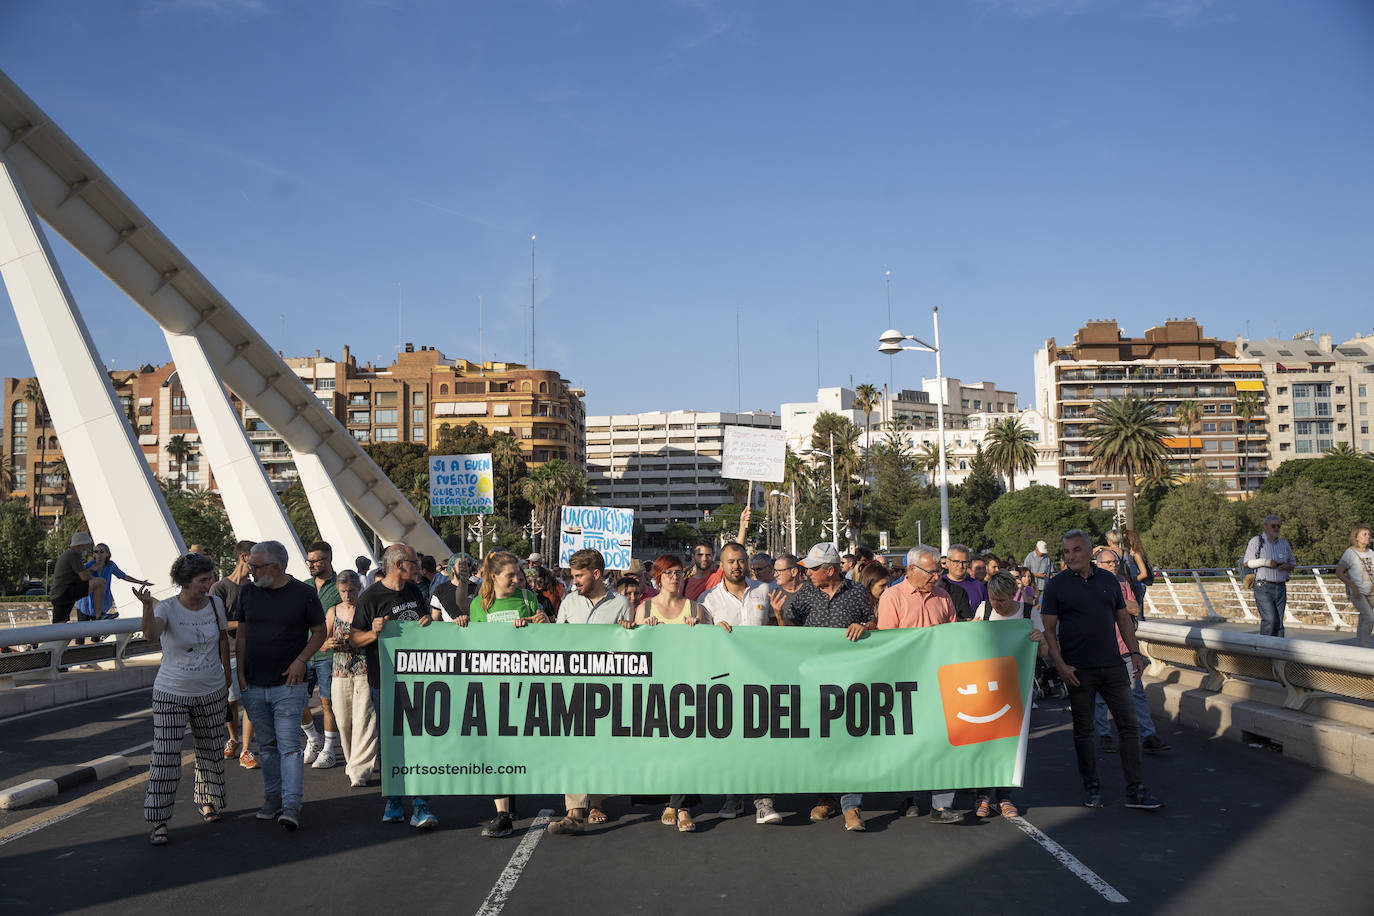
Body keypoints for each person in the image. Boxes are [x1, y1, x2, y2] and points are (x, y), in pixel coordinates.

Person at [1040, 530, 1163, 811]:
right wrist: (1060, 665)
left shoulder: (1109, 581)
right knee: (1084, 731)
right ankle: (1091, 787)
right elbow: (1048, 629)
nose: (1070, 556)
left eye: (1076, 551)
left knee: (1129, 727)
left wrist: (1134, 654)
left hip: (1113, 666)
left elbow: (1123, 620)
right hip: (1078, 670)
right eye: (1066, 552)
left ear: (1088, 552)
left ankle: (1136, 790)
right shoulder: (1057, 586)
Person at [136, 552, 231, 846]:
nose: (209, 584)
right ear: (185, 582)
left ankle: (208, 801)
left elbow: (223, 639)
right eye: (203, 580)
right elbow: (151, 634)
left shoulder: (215, 604)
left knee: (211, 750)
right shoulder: (166, 608)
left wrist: (227, 676)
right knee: (166, 755)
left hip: (212, 689)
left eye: (210, 578)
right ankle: (159, 820)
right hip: (171, 691)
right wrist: (146, 608)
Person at [235, 540, 327, 831]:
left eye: (255, 567)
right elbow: (241, 636)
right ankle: (272, 798)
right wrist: (240, 675)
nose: (249, 571)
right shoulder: (248, 591)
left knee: (288, 746)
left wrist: (302, 660)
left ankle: (291, 805)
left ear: (275, 567)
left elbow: (319, 631)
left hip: (289, 684)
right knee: (267, 746)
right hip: (253, 683)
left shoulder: (303, 593)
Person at [458, 550, 549, 839]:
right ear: (493, 577)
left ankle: (511, 797)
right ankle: (502, 813)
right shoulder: (480, 606)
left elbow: (547, 640)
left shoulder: (528, 599)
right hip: (493, 687)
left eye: (518, 574)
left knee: (517, 747)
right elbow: (474, 646)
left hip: (526, 685)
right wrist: (462, 627)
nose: (516, 579)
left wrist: (541, 624)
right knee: (497, 750)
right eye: (510, 575)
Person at [784, 543, 874, 831]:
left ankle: (851, 805)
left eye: (812, 568)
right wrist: (779, 615)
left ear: (830, 569)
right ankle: (825, 798)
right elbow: (789, 625)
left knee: (849, 739)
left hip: (850, 678)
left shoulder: (858, 592)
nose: (807, 573)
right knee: (821, 740)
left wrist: (866, 626)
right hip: (814, 679)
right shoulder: (806, 594)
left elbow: (873, 620)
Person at [545, 548, 634, 836]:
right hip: (572, 687)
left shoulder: (621, 604)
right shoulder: (569, 602)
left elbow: (629, 646)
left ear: (596, 574)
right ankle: (574, 810)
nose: (575, 582)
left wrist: (629, 630)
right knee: (573, 748)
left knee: (601, 749)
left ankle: (597, 802)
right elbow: (558, 639)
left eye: (579, 576)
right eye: (572, 576)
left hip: (607, 689)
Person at [350, 543, 439, 830]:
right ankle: (394, 800)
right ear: (400, 565)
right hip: (385, 681)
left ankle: (421, 802)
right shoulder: (371, 598)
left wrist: (427, 623)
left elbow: (422, 624)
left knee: (419, 740)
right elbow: (354, 639)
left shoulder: (414, 591)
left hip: (418, 679)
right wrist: (373, 633)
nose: (419, 566)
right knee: (392, 742)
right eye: (415, 562)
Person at [877, 546, 962, 824]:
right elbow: (887, 642)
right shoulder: (892, 597)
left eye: (938, 570)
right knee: (907, 744)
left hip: (939, 683)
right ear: (911, 569)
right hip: (905, 683)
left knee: (944, 742)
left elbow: (952, 637)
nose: (936, 576)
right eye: (931, 571)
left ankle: (942, 805)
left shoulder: (943, 597)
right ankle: (907, 796)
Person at [631, 553, 708, 832]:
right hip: (658, 688)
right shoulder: (645, 608)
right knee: (666, 749)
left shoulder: (695, 608)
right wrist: (642, 631)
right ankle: (674, 800)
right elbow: (634, 649)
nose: (674, 578)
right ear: (658, 578)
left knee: (688, 748)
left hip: (689, 686)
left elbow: (714, 645)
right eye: (668, 574)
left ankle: (680, 806)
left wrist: (701, 630)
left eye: (678, 573)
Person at [700, 542, 775, 823]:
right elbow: (700, 640)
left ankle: (764, 800)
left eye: (741, 560)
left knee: (762, 741)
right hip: (727, 680)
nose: (736, 566)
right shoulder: (709, 600)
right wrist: (712, 633)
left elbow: (777, 630)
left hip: (762, 678)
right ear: (721, 565)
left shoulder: (766, 591)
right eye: (731, 561)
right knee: (731, 741)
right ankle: (734, 795)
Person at [973, 571, 1047, 819]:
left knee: (1009, 742)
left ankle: (1005, 795)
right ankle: (982, 795)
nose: (998, 605)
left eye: (1002, 600)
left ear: (1012, 595)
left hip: (1015, 688)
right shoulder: (983, 611)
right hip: (985, 686)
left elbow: (1044, 652)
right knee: (983, 739)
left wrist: (1039, 640)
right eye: (994, 599)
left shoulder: (1028, 613)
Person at [1089, 547, 1169, 756]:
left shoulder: (1123, 582)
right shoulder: (1090, 583)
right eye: (1108, 563)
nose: (1113, 565)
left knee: (1137, 693)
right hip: (1100, 648)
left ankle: (1148, 736)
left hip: (1125, 647)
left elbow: (1135, 608)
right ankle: (1105, 734)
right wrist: (1120, 604)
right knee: (1100, 697)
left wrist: (1115, 603)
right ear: (1098, 564)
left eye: (1115, 562)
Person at [323, 569, 378, 788]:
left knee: (364, 720)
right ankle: (352, 762)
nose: (348, 595)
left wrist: (359, 639)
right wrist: (327, 644)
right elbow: (322, 639)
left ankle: (360, 770)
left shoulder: (366, 609)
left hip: (364, 669)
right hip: (340, 671)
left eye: (352, 591)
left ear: (359, 589)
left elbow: (374, 636)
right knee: (343, 721)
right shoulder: (333, 611)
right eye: (344, 591)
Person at [212, 540, 257, 769]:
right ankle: (233, 738)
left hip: (251, 652)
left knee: (249, 700)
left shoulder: (255, 587)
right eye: (254, 558)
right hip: (227, 652)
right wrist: (243, 624)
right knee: (229, 701)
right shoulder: (219, 588)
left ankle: (246, 751)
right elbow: (215, 623)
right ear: (243, 558)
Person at [302, 541, 342, 770]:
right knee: (297, 701)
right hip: (304, 653)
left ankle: (328, 749)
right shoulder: (305, 586)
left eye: (316, 560)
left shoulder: (339, 586)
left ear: (328, 560)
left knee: (327, 703)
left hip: (328, 653)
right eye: (309, 561)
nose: (311, 564)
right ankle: (313, 739)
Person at [1243, 514, 1297, 638]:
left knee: (1279, 624)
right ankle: (1264, 651)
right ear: (1265, 527)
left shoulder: (1284, 544)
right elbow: (1247, 563)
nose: (1276, 528)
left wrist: (1287, 566)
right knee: (1270, 620)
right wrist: (1267, 562)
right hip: (1263, 587)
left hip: (1280, 587)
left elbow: (1293, 563)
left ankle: (1278, 653)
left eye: (1278, 526)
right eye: (1273, 526)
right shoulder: (1256, 541)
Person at [49, 533, 106, 644]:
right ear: (81, 545)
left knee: (59, 627)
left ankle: (55, 652)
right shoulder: (74, 554)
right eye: (87, 546)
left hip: (60, 595)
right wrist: (94, 577)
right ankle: (99, 615)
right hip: (65, 593)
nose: (88, 549)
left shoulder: (68, 554)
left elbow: (78, 575)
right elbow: (84, 577)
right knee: (100, 583)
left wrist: (91, 571)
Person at [75, 543, 152, 620]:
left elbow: (123, 576)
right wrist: (91, 570)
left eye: (101, 551)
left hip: (101, 605)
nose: (98, 554)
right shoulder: (88, 565)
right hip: (85, 605)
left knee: (98, 630)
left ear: (107, 554)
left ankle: (102, 616)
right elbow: (77, 576)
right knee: (83, 630)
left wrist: (140, 582)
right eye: (96, 551)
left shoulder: (110, 565)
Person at [1335, 525, 1374, 648]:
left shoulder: (1371, 552)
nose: (1368, 536)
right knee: (1369, 617)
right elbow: (1339, 572)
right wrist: (1352, 585)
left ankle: (1361, 646)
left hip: (1371, 591)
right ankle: (1365, 646)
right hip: (1357, 591)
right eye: (1364, 534)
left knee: (1364, 618)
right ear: (1356, 537)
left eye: (1369, 534)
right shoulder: (1350, 553)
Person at [939, 544, 979, 620]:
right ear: (947, 562)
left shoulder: (979, 586)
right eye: (956, 562)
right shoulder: (940, 585)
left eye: (964, 562)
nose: (961, 566)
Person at [429, 555, 471, 622]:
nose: (464, 567)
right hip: (450, 631)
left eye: (467, 564)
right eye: (460, 565)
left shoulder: (477, 588)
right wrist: (428, 618)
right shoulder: (440, 590)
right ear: (452, 569)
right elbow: (435, 618)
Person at [1122, 530, 1153, 618]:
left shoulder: (1136, 554)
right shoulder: (1129, 554)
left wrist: (1131, 581)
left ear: (1131, 540)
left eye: (1125, 539)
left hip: (1138, 586)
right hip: (1135, 585)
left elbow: (1144, 574)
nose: (1123, 541)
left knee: (1137, 613)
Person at [767, 553, 805, 626]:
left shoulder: (812, 591)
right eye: (774, 571)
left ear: (793, 571)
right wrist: (779, 615)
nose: (775, 575)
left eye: (779, 571)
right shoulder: (775, 596)